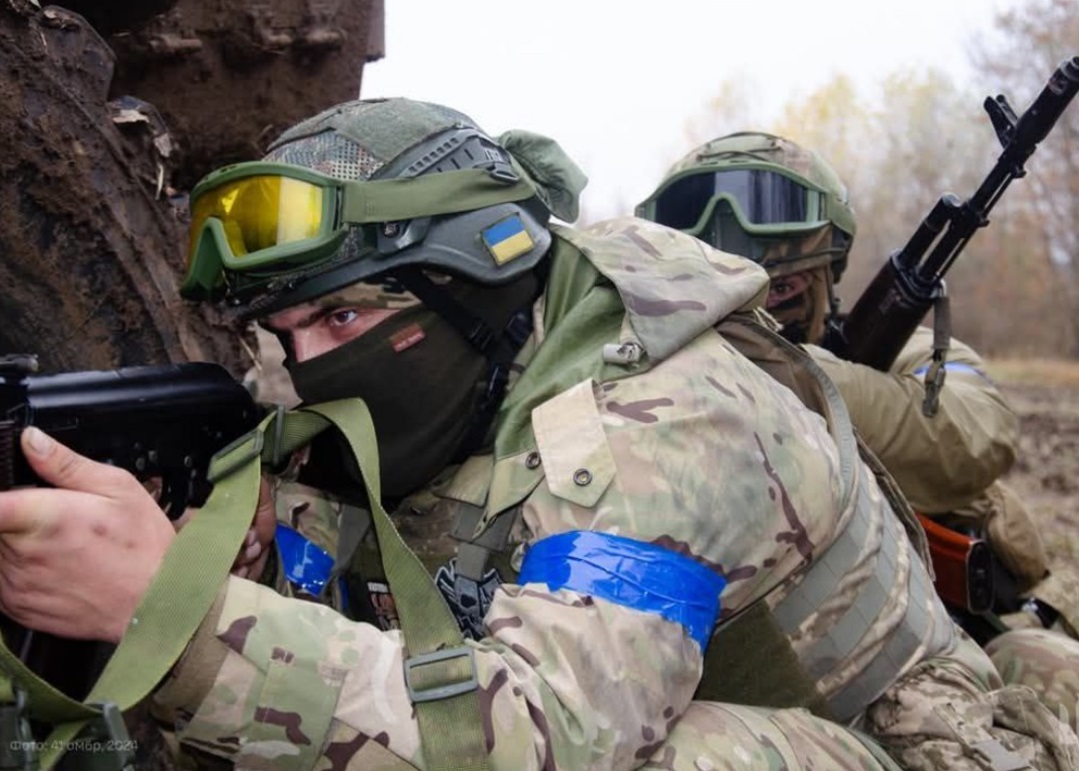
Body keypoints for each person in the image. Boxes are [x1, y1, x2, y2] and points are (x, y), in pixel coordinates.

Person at [0, 99, 1077, 771]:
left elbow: (550, 737)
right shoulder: (466, 375)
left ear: (472, 289)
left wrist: (176, 618)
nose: (312, 363)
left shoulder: (663, 413)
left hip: (901, 743)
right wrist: (244, 553)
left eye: (341, 318)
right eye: (286, 333)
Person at [636, 129, 1079, 715]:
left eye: (780, 286)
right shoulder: (653, 375)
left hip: (931, 638)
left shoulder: (910, 356)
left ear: (825, 267)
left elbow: (977, 436)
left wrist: (794, 374)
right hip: (750, 665)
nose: (731, 225)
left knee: (1048, 666)